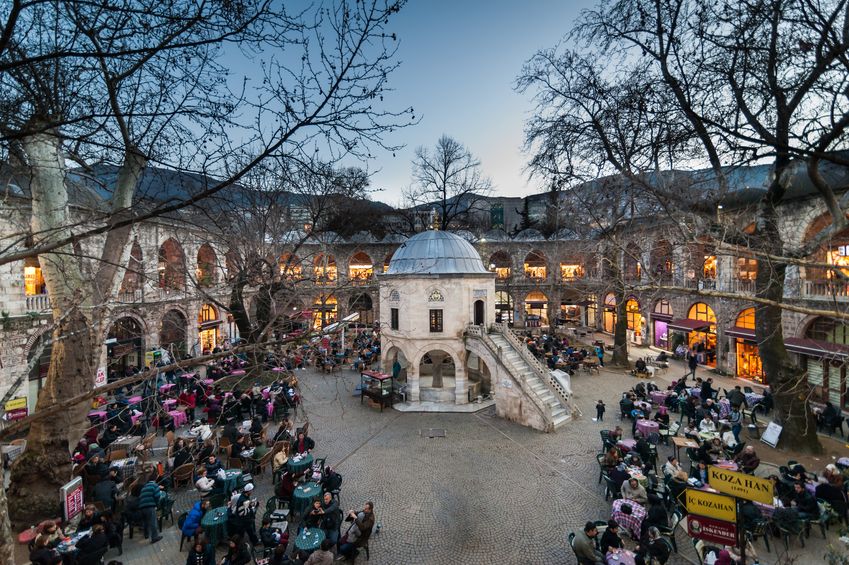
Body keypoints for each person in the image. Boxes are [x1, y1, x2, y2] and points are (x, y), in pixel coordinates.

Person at [137, 472, 164, 543]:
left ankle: (146, 534)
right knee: (153, 522)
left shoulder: (145, 486)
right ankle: (154, 537)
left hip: (142, 506)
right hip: (150, 506)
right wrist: (156, 505)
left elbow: (140, 496)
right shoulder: (155, 486)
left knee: (145, 522)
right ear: (156, 478)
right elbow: (157, 496)